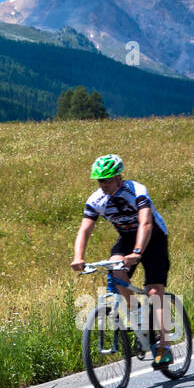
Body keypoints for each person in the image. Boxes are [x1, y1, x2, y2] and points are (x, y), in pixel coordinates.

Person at [70, 154, 173, 367]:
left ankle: (164, 346)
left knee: (154, 292)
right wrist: (78, 257)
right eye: (100, 181)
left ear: (119, 178)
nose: (104, 185)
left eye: (108, 180)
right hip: (126, 238)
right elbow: (84, 230)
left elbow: (145, 223)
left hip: (153, 238)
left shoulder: (136, 190)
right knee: (115, 270)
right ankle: (137, 317)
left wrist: (137, 252)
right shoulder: (96, 200)